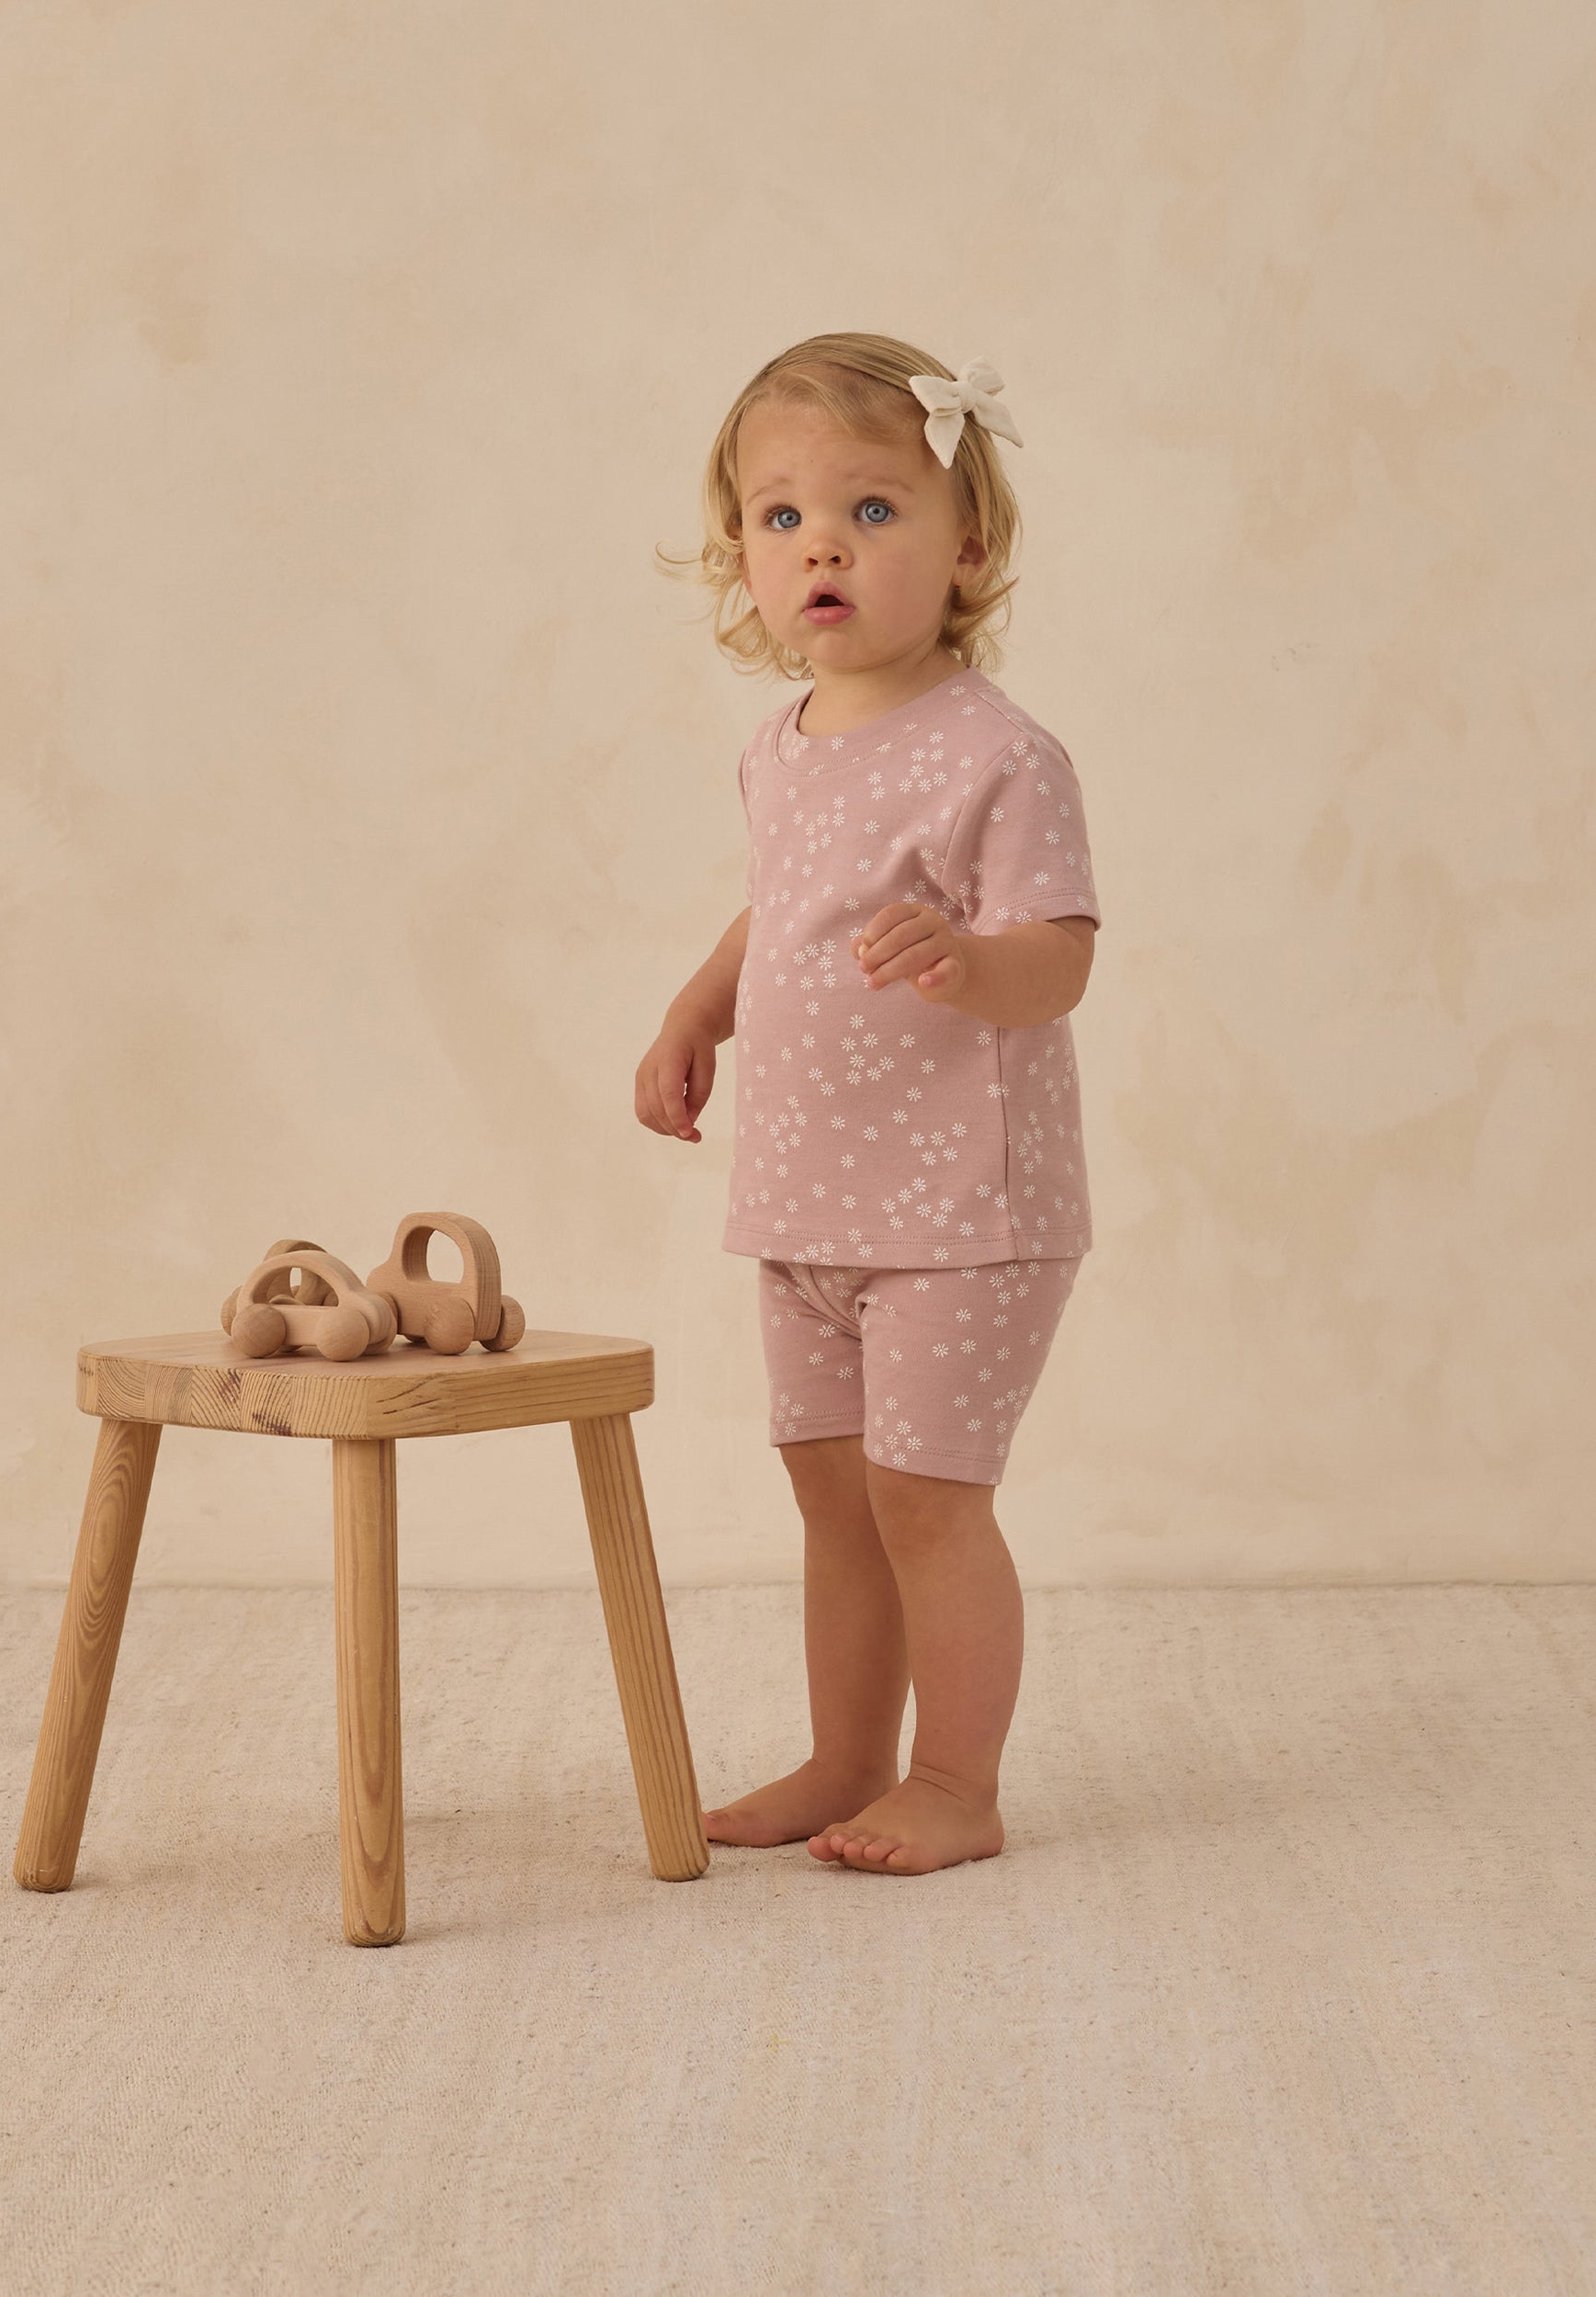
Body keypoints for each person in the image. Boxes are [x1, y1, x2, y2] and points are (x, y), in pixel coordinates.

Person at [636, 334, 1101, 1875]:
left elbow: (1060, 957)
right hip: (809, 1200)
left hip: (963, 1209)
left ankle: (956, 1780)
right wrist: (696, 1012)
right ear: (744, 556)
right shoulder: (780, 751)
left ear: (967, 546)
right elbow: (778, 911)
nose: (822, 545)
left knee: (925, 1497)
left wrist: (975, 964)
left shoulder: (999, 755)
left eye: (873, 510)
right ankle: (846, 1759)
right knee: (833, 1497)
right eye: (783, 517)